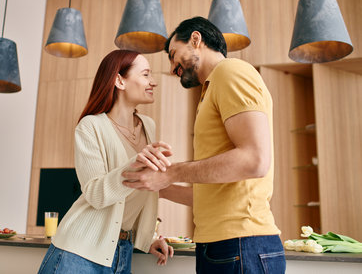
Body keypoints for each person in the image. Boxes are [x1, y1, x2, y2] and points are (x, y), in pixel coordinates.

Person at [122, 17, 286, 273]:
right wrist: (159, 186)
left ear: (196, 40)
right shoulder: (211, 88)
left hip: (241, 244)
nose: (172, 68)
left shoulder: (231, 72)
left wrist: (170, 172)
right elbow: (213, 195)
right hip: (221, 245)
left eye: (173, 54)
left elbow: (255, 160)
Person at [37, 49, 174, 274]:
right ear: (119, 80)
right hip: (80, 251)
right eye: (146, 74)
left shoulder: (148, 126)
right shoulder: (90, 127)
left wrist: (148, 237)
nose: (153, 82)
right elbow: (95, 194)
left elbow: (144, 190)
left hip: (122, 251)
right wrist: (132, 166)